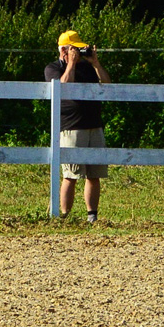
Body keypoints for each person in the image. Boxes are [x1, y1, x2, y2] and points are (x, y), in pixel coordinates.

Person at [44, 30, 112, 222]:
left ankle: (92, 215)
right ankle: (64, 217)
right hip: (72, 127)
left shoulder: (89, 67)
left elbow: (107, 86)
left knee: (94, 174)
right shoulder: (53, 68)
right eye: (76, 49)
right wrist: (71, 64)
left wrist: (96, 63)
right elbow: (63, 88)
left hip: (94, 125)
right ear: (65, 50)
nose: (80, 53)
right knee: (71, 174)